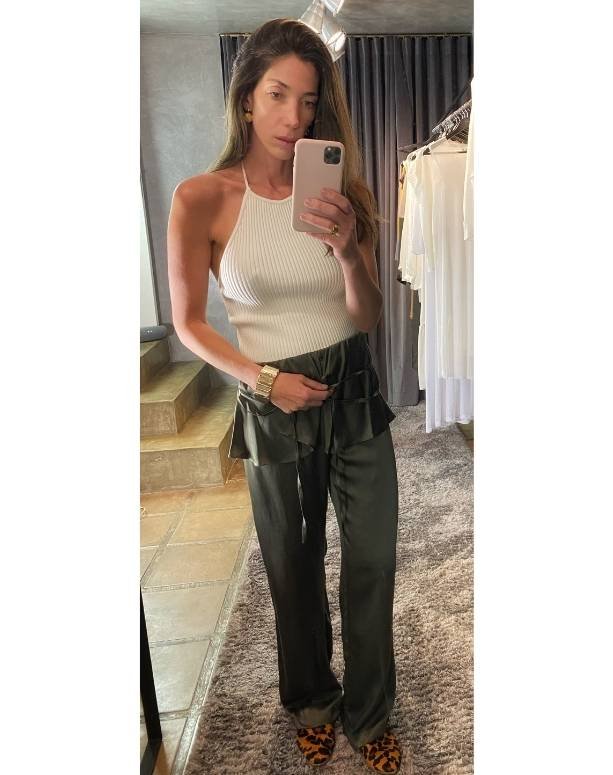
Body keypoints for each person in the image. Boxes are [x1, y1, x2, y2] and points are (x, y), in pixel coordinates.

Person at [167, 18, 401, 773]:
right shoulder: (201, 198)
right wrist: (264, 380)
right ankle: (312, 701)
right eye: (277, 95)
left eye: (307, 100)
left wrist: (347, 251)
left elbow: (367, 316)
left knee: (373, 560)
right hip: (273, 398)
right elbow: (190, 324)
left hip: (353, 387)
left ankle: (370, 711)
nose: (293, 116)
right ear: (246, 98)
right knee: (292, 566)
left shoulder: (344, 193)